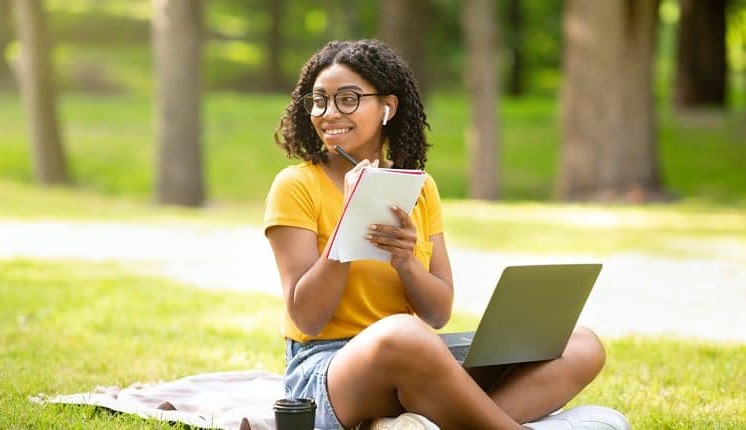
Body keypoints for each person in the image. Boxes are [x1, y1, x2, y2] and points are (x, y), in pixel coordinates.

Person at [264, 39, 629, 430]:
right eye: (319, 100)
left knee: (581, 344)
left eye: (348, 99)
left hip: (422, 358)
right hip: (327, 370)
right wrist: (350, 226)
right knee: (402, 334)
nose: (329, 113)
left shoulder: (419, 188)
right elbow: (307, 317)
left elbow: (438, 313)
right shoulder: (296, 185)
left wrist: (406, 264)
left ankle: (430, 423)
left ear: (387, 106)